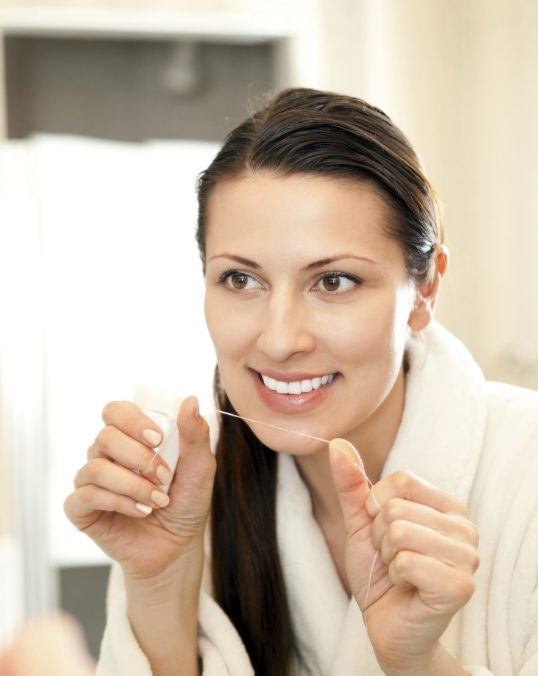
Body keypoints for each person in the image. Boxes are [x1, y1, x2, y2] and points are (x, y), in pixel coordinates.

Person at [64, 88, 538, 676]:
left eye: (334, 282)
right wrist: (160, 583)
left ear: (425, 290)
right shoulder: (182, 499)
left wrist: (416, 662)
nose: (280, 338)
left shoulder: (527, 475)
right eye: (240, 279)